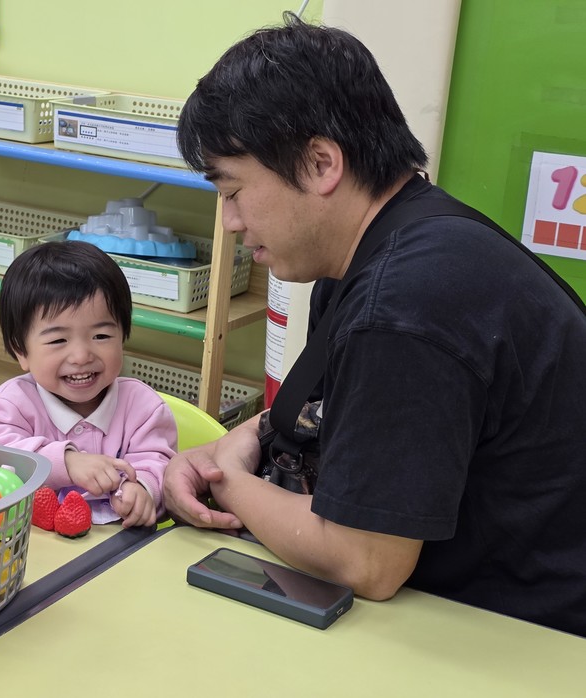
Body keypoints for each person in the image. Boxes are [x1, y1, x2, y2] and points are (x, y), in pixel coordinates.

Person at [163, 13, 586, 636]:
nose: (230, 222)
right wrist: (241, 439)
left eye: (233, 191)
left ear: (320, 163)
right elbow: (352, 411)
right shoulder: (396, 242)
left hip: (530, 637)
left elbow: (366, 561)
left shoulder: (406, 304)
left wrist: (224, 484)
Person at [0, 240, 176, 528]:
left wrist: (143, 490)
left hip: (115, 546)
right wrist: (65, 462)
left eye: (101, 336)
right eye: (58, 340)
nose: (81, 356)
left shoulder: (143, 406)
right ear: (21, 351)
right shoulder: (6, 406)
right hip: (25, 544)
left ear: (123, 336)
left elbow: (160, 463)